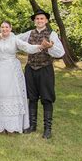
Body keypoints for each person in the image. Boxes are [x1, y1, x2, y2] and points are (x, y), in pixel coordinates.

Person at [0, 21, 45, 133]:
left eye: (6, 27)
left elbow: (27, 47)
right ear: (0, 28)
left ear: (10, 28)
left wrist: (40, 46)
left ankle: (11, 125)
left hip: (11, 71)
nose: (4, 29)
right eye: (2, 27)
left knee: (9, 94)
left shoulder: (15, 39)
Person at [17, 9, 65, 139]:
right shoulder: (29, 34)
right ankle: (32, 126)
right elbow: (15, 40)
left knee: (46, 98)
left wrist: (50, 47)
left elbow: (61, 53)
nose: (39, 21)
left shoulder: (52, 34)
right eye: (37, 19)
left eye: (42, 19)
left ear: (46, 21)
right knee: (32, 97)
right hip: (30, 68)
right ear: (34, 21)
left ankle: (47, 129)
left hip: (45, 69)